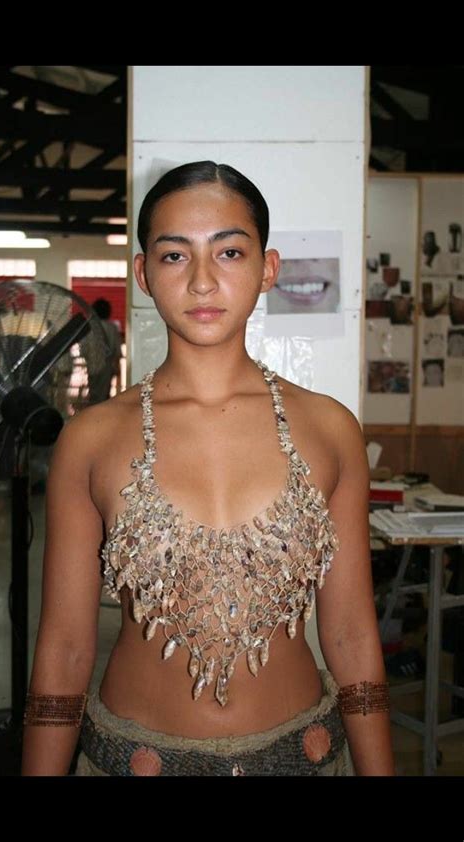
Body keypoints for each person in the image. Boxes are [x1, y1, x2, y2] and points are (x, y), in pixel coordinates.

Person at [21, 161, 395, 776]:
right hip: (133, 761)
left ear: (267, 268)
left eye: (228, 252)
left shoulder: (330, 431)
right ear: (142, 274)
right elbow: (63, 648)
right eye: (174, 256)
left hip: (305, 758)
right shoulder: (91, 439)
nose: (201, 281)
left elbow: (352, 634)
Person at [87, 298, 122, 403]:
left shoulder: (90, 327)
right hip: (107, 366)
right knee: (104, 392)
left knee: (93, 392)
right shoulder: (112, 328)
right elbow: (117, 349)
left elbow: (84, 348)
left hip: (92, 364)